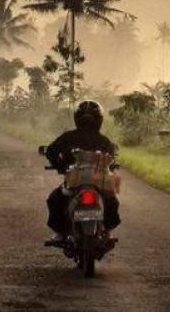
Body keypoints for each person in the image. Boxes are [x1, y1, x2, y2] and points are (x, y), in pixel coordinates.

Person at [45, 100, 121, 243]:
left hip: (75, 180)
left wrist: (60, 165)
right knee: (111, 199)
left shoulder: (68, 137)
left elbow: (51, 151)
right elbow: (112, 160)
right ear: (100, 119)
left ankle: (60, 233)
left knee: (55, 198)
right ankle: (108, 231)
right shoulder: (104, 140)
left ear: (76, 118)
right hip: (98, 181)